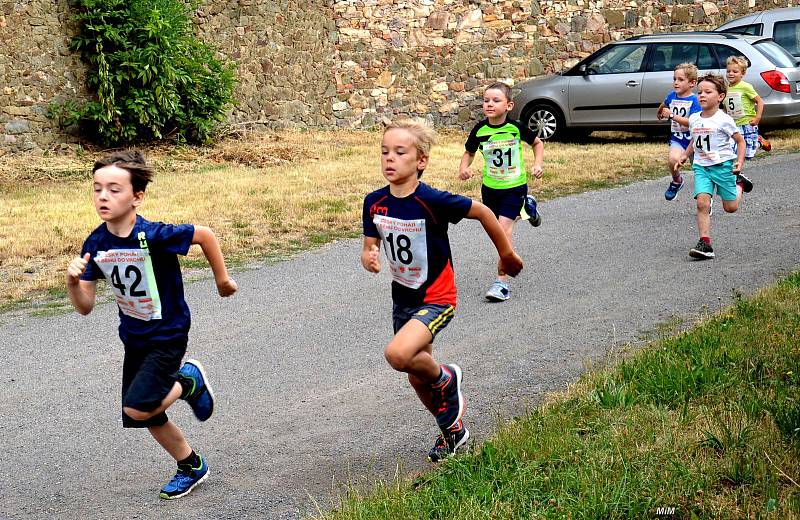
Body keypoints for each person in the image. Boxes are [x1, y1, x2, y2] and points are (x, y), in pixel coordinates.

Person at [65, 151, 238, 499]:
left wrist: (222, 279)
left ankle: (189, 381)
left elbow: (204, 235)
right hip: (134, 338)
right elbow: (85, 307)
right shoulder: (96, 244)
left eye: (114, 189)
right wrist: (72, 283)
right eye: (97, 188)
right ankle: (191, 465)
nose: (103, 196)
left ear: (137, 197)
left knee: (137, 406)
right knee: (144, 414)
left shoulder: (153, 235)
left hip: (168, 333)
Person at [362, 118, 523, 462]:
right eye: (384, 151)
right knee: (417, 374)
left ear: (420, 160)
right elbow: (370, 241)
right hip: (403, 300)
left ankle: (449, 379)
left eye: (400, 152)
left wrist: (506, 253)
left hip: (438, 297)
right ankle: (453, 431)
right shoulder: (374, 202)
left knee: (398, 355)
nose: (389, 158)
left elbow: (482, 212)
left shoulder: (432, 200)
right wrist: (370, 254)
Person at [457, 81, 543, 302]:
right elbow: (468, 152)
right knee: (497, 230)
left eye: (496, 101)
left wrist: (537, 164)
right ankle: (528, 208)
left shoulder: (515, 128)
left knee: (504, 232)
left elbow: (537, 143)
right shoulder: (480, 130)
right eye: (486, 101)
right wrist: (463, 168)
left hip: (514, 187)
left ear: (509, 105)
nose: (489, 104)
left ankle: (501, 283)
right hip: (490, 189)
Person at [674, 74, 752, 260]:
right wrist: (685, 155)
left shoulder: (724, 119)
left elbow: (740, 142)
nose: (702, 95)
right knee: (702, 202)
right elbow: (695, 139)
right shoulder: (694, 118)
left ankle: (739, 183)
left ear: (720, 96)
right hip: (702, 167)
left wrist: (739, 162)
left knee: (730, 207)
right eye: (699, 92)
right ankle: (705, 243)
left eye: (708, 92)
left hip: (723, 166)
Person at [656, 63, 701, 201]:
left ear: (692, 83)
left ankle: (704, 196)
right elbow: (665, 103)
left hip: (694, 140)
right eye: (674, 79)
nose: (676, 82)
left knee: (699, 170)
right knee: (672, 160)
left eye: (681, 80)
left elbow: (691, 123)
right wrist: (660, 111)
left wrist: (672, 116)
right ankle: (677, 181)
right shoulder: (671, 96)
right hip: (678, 137)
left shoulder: (695, 101)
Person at [724, 55, 771, 157]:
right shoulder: (726, 88)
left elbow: (759, 102)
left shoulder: (746, 87)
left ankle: (759, 142)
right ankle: (736, 168)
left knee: (749, 153)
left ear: (743, 73)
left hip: (748, 122)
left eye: (735, 71)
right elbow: (725, 106)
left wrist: (757, 117)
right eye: (728, 71)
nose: (731, 74)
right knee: (733, 149)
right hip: (734, 123)